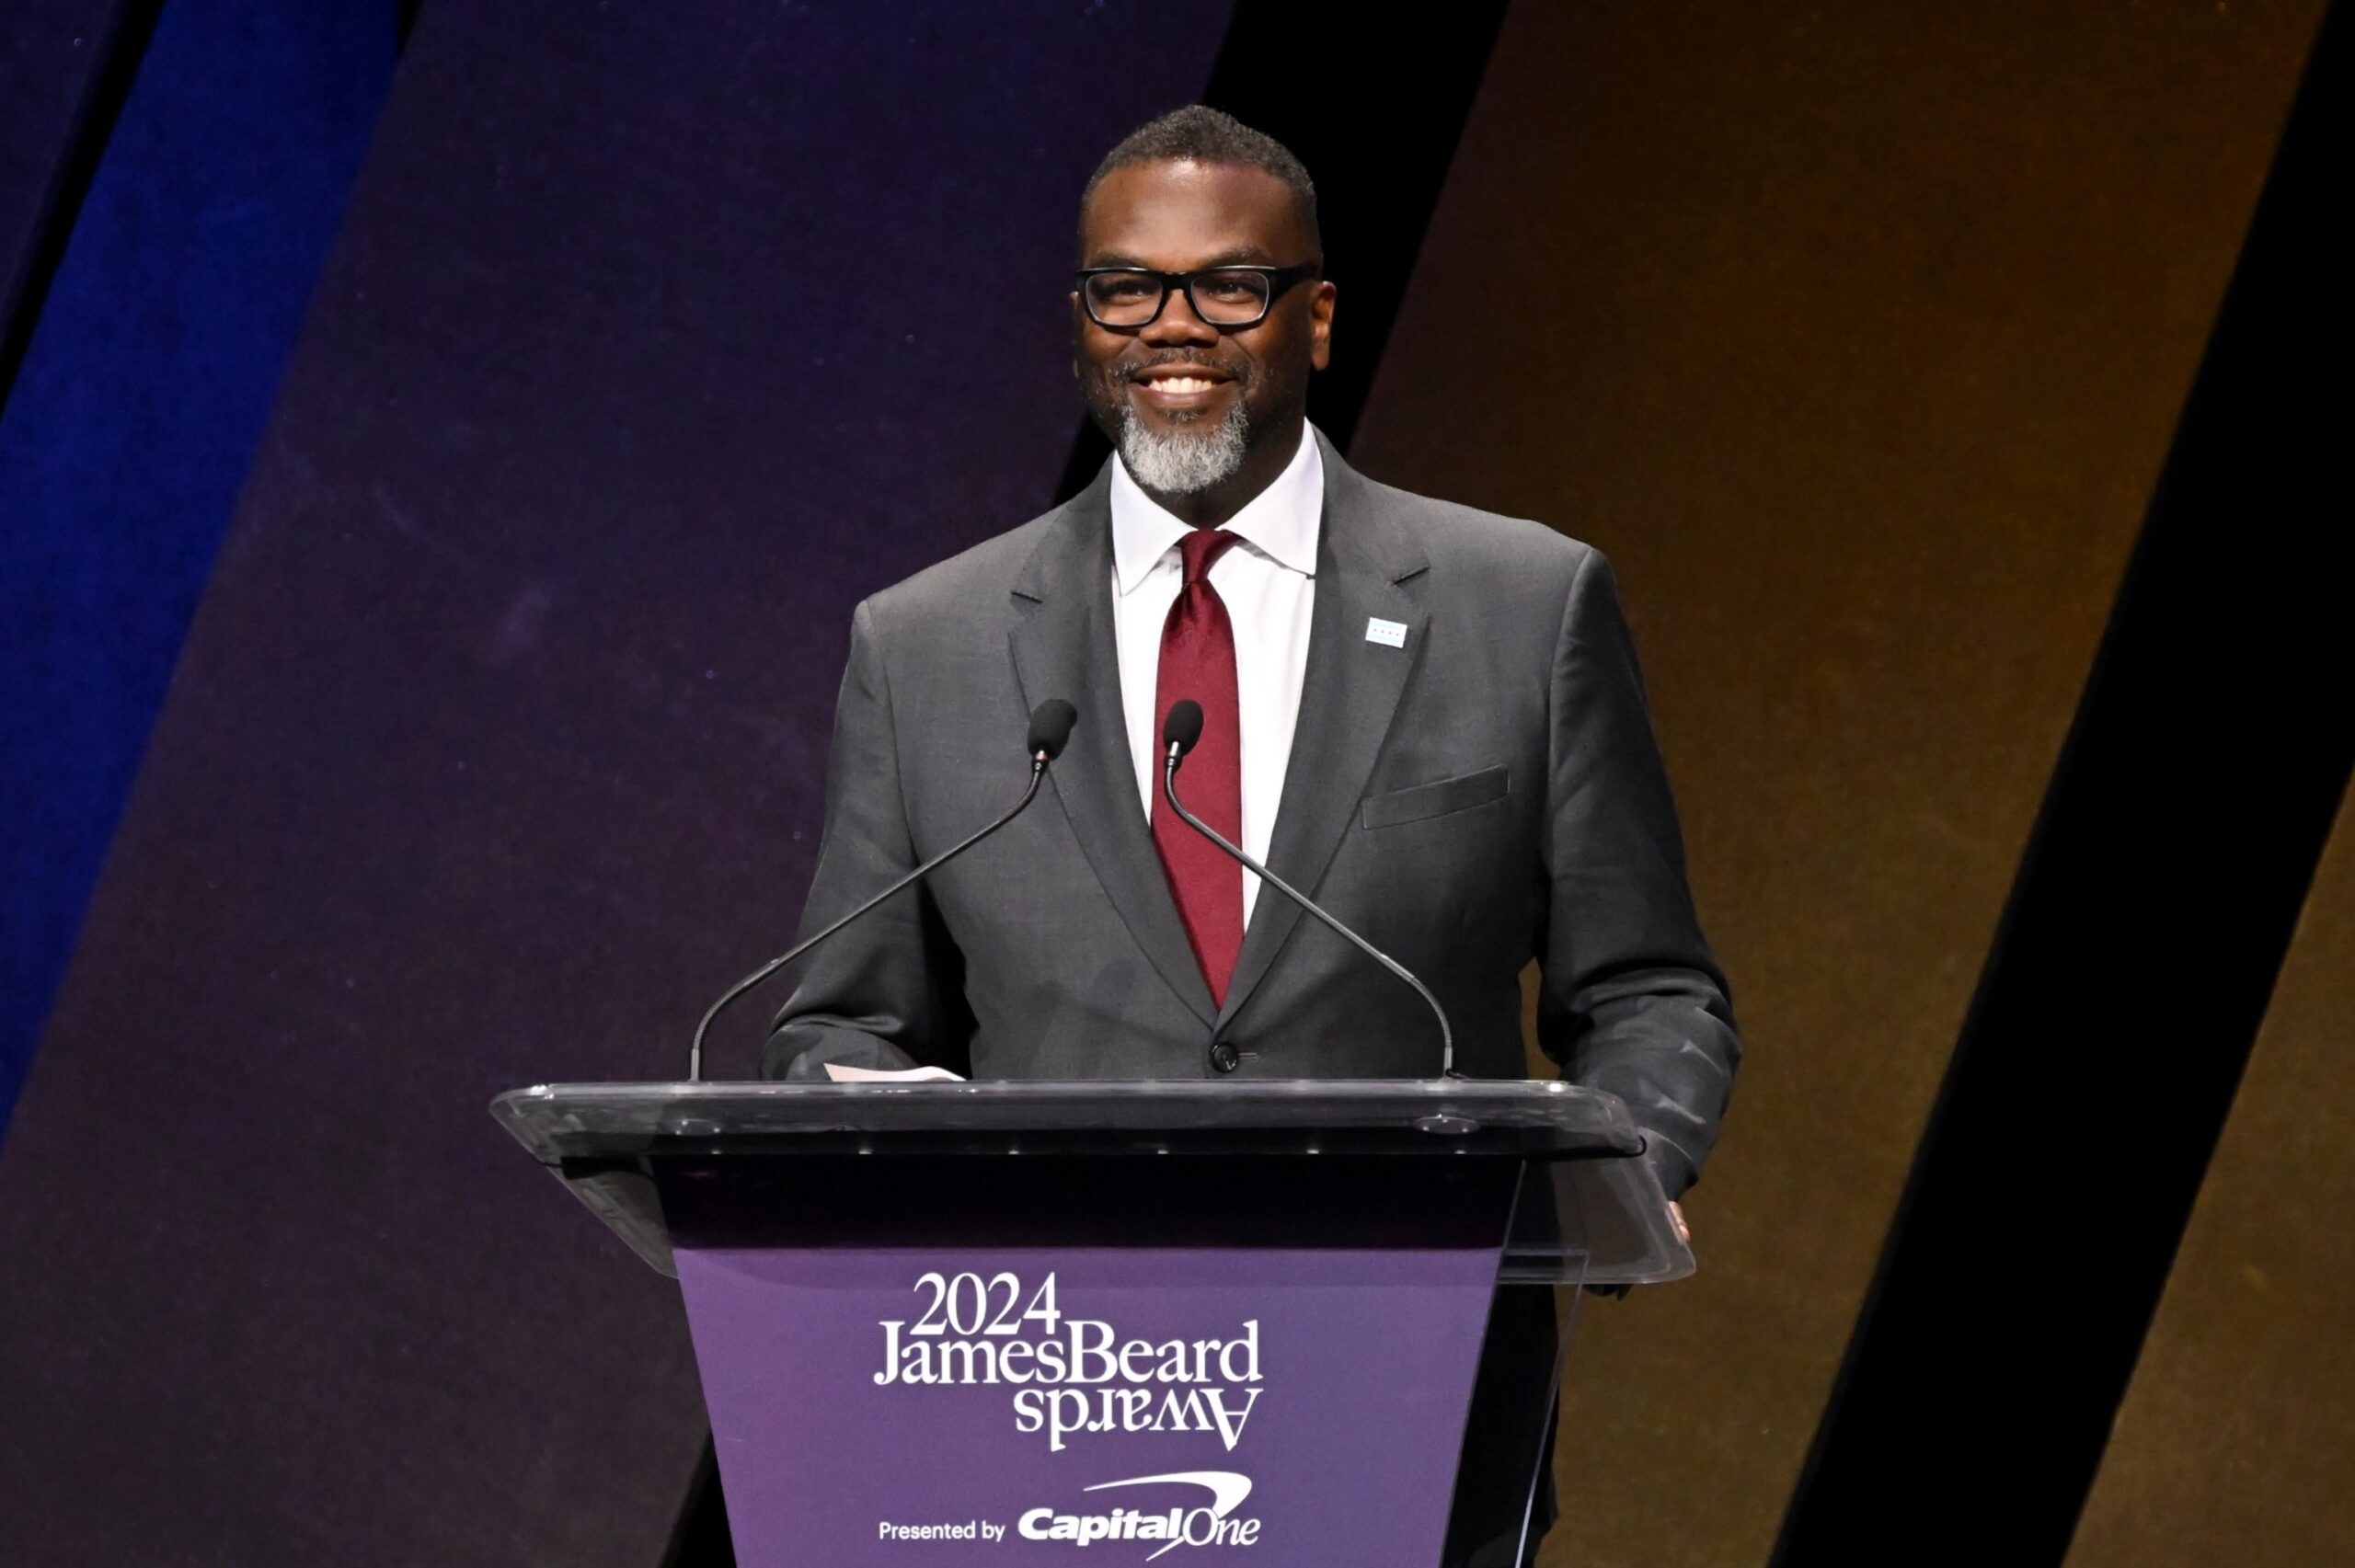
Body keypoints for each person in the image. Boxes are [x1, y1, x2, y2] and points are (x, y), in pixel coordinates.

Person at [763, 106, 1739, 1566]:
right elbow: (842, 1021)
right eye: (1125, 288)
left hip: (1408, 1397)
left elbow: (1653, 988)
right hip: (1050, 1416)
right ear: (1081, 323)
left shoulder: (1520, 607)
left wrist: (1626, 1167)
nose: (1173, 326)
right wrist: (876, 1135)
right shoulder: (928, 645)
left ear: (1318, 316)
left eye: (1229, 284)